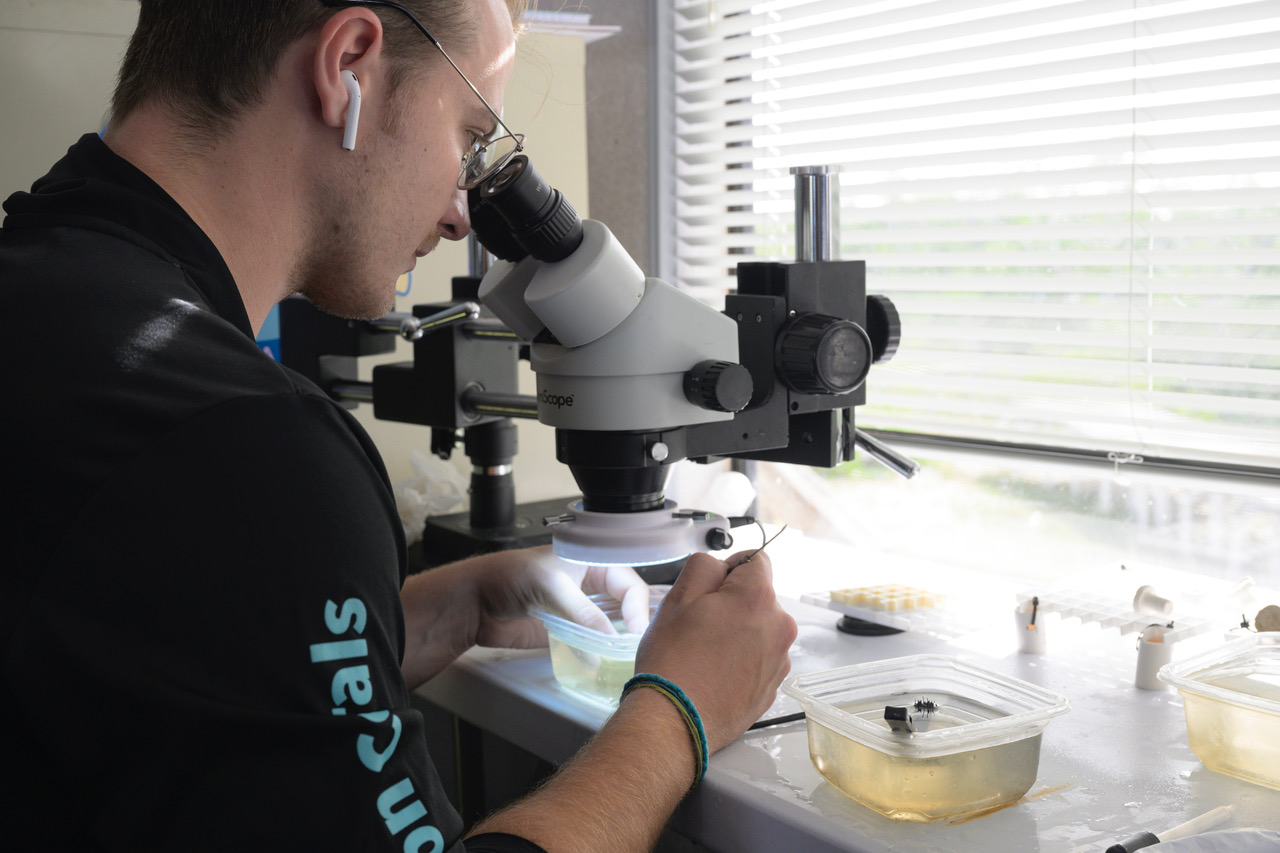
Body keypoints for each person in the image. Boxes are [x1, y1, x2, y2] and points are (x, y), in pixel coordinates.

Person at [0, 1, 797, 851]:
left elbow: (162, 664)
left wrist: (440, 607)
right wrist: (681, 709)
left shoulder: (46, 292)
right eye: (468, 134)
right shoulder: (242, 443)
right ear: (348, 64)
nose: (462, 212)